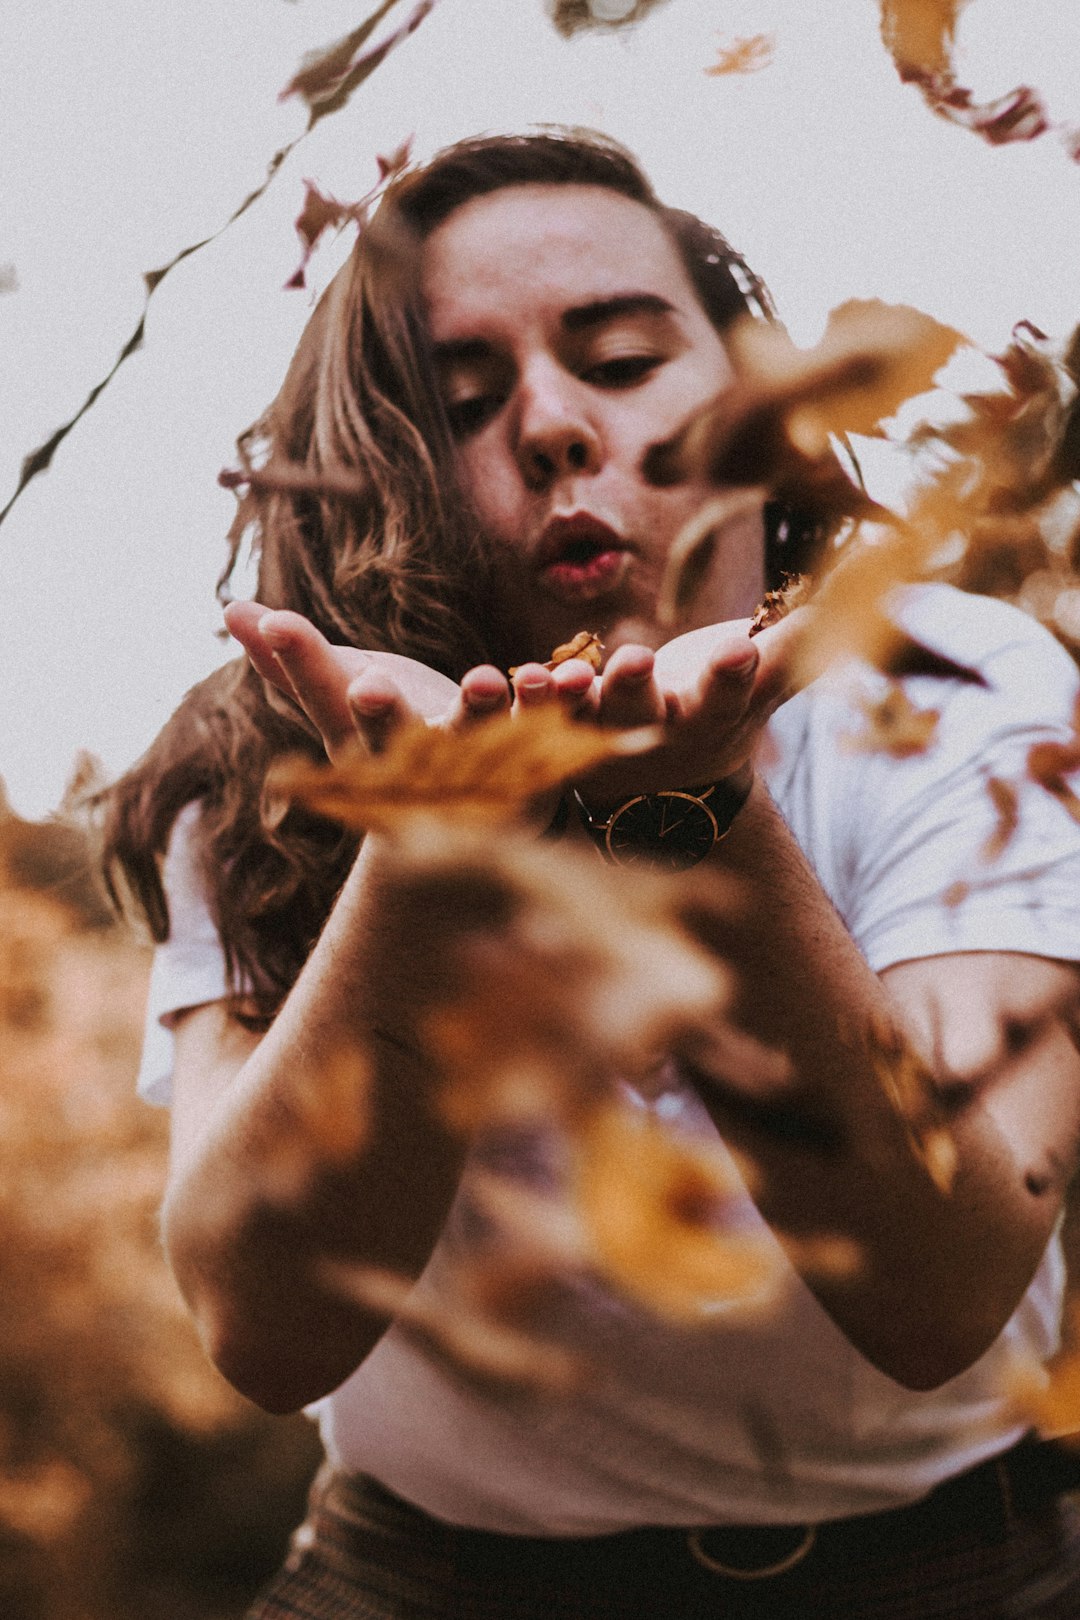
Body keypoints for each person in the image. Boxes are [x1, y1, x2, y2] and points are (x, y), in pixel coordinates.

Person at [105, 131, 1080, 1617]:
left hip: (955, 1567)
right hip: (423, 1578)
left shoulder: (953, 687)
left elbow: (941, 1289)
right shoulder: (265, 766)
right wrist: (432, 849)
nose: (555, 426)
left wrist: (697, 814)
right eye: (465, 402)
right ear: (385, 478)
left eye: (622, 360)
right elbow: (263, 1329)